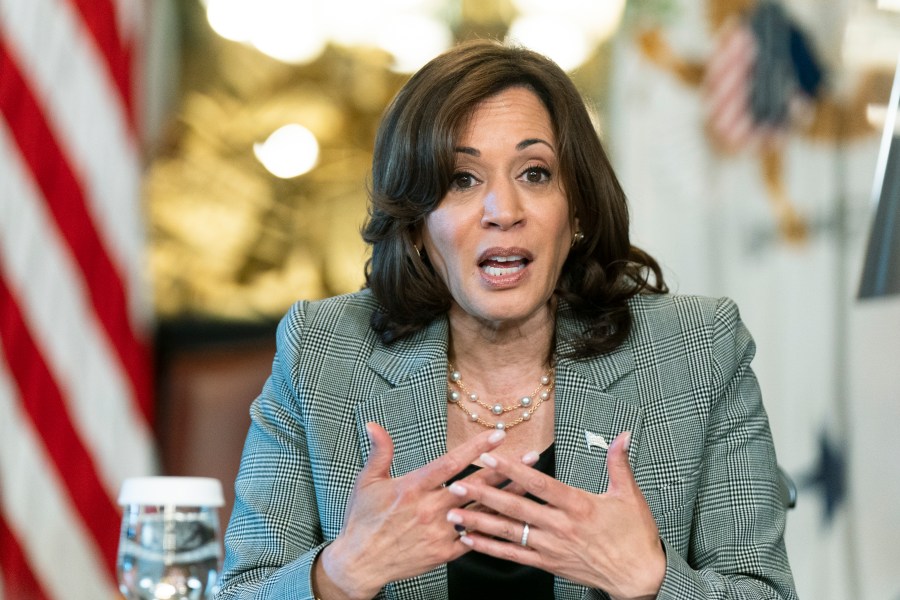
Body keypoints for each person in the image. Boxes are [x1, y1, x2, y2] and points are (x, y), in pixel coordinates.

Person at [216, 39, 797, 600]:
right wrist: (339, 577)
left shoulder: (697, 351)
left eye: (535, 173)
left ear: (576, 211)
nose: (504, 212)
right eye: (461, 179)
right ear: (417, 225)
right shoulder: (322, 352)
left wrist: (650, 581)